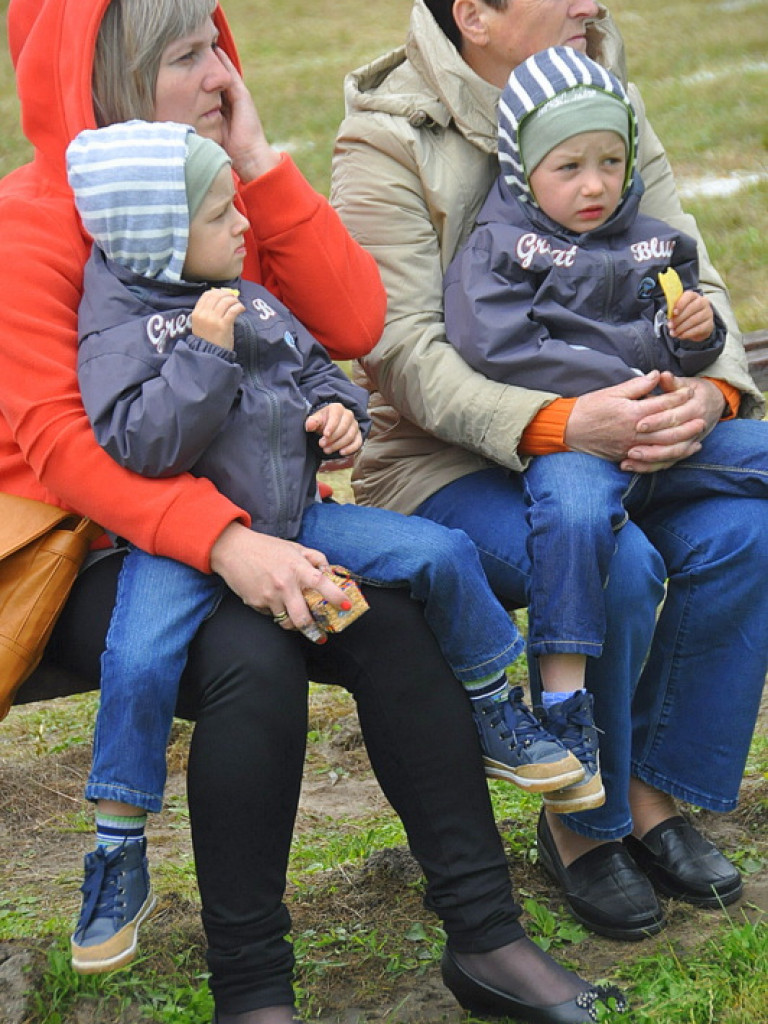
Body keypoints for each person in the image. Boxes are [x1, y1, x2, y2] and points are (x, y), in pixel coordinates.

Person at [1, 1, 625, 1021]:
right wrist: (227, 543)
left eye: (219, 49)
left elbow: (352, 322)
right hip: (97, 548)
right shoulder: (32, 219)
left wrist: (256, 160)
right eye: (187, 58)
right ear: (105, 79)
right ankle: (253, 989)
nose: (218, 75)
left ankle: (487, 936)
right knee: (257, 655)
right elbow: (61, 453)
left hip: (262, 517)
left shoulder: (214, 193)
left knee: (390, 614)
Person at [62, 114, 579, 976]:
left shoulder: (247, 296)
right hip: (182, 550)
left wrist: (337, 415)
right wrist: (203, 355)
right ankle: (118, 848)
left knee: (441, 554)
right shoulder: (125, 328)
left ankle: (497, 706)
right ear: (160, 237)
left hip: (301, 519)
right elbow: (141, 446)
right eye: (222, 214)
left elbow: (317, 373)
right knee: (139, 657)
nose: (244, 226)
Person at [331, 0, 768, 944]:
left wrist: (712, 393)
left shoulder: (606, 95)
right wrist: (561, 424)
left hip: (628, 425)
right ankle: (580, 821)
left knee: (745, 531)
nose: (591, 4)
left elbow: (688, 281)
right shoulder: (385, 138)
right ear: (476, 15)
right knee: (617, 562)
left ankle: (651, 796)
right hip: (447, 459)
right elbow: (399, 350)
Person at [443, 45, 768, 813]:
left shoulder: (650, 237)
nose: (595, 185)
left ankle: (660, 789)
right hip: (576, 439)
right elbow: (496, 343)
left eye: (611, 161)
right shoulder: (502, 246)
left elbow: (678, 329)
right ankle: (564, 709)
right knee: (578, 521)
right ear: (522, 168)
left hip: (662, 429)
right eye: (568, 167)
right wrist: (607, 396)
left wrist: (695, 339)